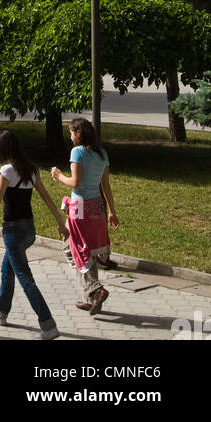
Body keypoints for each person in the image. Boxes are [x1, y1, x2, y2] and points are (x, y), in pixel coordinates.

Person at [0, 129, 67, 341]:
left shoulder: (6, 171)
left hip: (13, 232)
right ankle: (0, 312)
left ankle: (48, 324)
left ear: (4, 150)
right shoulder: (32, 170)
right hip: (28, 231)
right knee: (8, 270)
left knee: (25, 278)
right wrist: (60, 223)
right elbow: (47, 198)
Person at [51, 117, 119, 315]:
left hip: (79, 208)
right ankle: (91, 296)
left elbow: (76, 183)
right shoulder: (102, 153)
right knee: (83, 250)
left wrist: (58, 176)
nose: (70, 137)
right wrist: (111, 211)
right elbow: (105, 185)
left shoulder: (77, 151)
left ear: (78, 133)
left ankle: (95, 288)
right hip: (97, 206)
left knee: (74, 250)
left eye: (71, 133)